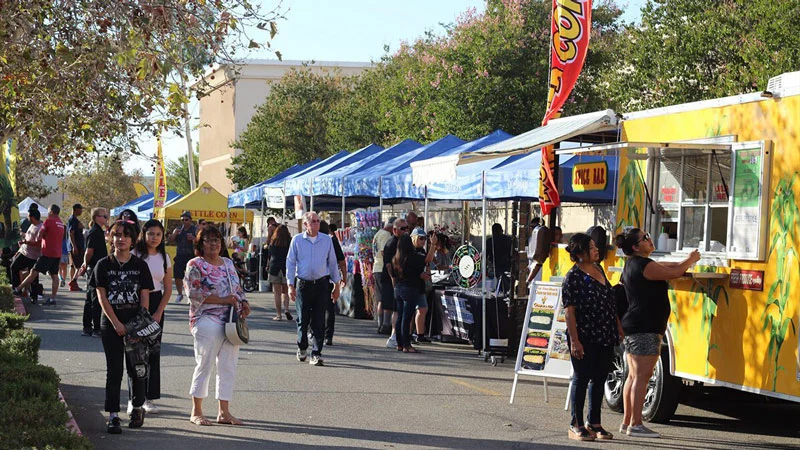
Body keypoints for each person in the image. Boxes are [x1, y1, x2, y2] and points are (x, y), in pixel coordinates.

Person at [615, 228, 700, 438]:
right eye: (645, 238)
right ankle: (636, 423)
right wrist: (690, 259)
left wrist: (682, 264)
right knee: (642, 377)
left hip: (637, 325)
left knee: (634, 377)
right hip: (645, 326)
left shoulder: (636, 264)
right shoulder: (643, 265)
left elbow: (665, 267)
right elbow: (673, 272)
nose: (649, 240)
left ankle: (627, 422)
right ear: (636, 247)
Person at [185, 225, 251, 426]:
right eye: (208, 240)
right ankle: (196, 411)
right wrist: (224, 300)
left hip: (231, 320)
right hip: (206, 319)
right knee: (204, 363)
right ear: (200, 244)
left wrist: (244, 303)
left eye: (216, 240)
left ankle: (224, 411)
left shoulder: (228, 263)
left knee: (228, 366)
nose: (213, 243)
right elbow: (194, 295)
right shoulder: (195, 264)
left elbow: (237, 288)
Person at [94, 220, 154, 433]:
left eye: (126, 235)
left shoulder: (140, 266)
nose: (121, 239)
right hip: (111, 324)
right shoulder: (103, 264)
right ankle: (113, 415)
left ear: (133, 239)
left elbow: (144, 297)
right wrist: (117, 323)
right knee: (114, 370)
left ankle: (137, 407)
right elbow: (101, 296)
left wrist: (138, 325)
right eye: (116, 234)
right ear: (110, 237)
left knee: (136, 368)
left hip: (135, 325)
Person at [561, 233, 622, 441]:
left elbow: (609, 301)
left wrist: (618, 327)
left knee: (599, 378)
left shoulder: (599, 269)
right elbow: (569, 311)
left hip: (604, 333)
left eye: (596, 246)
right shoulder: (573, 277)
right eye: (592, 247)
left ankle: (594, 422)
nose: (597, 249)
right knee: (581, 377)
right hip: (584, 335)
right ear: (580, 252)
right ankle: (575, 423)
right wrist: (575, 341)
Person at [286, 211, 341, 367]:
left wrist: (336, 285)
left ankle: (316, 353)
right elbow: (290, 263)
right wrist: (290, 285)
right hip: (303, 284)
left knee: (318, 320)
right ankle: (302, 346)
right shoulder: (297, 240)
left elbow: (332, 262)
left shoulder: (326, 240)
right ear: (305, 224)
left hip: (322, 284)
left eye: (318, 221)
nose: (316, 224)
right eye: (313, 221)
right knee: (303, 319)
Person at [130, 219, 173, 415]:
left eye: (158, 234)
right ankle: (134, 397)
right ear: (143, 234)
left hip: (156, 304)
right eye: (150, 234)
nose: (154, 238)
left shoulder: (165, 257)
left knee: (152, 352)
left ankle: (148, 397)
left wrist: (158, 312)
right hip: (134, 302)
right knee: (134, 352)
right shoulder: (135, 254)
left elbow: (168, 289)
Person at [17, 204, 65, 306]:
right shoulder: (61, 223)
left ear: (51, 212)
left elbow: (39, 234)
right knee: (54, 276)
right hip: (57, 253)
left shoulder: (48, 221)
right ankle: (52, 299)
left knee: (33, 272)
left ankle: (18, 289)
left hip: (47, 253)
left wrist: (36, 239)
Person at [391, 234, 431, 353]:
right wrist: (433, 245)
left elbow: (394, 274)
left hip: (398, 288)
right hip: (410, 288)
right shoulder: (413, 257)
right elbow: (426, 261)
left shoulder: (395, 259)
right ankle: (406, 345)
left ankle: (399, 343)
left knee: (400, 316)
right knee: (406, 318)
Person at [80, 207, 110, 337]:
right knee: (95, 299)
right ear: (97, 217)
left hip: (97, 267)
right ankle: (95, 328)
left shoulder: (99, 231)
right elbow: (89, 251)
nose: (106, 218)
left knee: (91, 298)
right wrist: (85, 264)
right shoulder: (94, 232)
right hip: (94, 268)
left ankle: (88, 327)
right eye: (104, 216)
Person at [382, 218, 409, 349]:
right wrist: (394, 283)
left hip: (401, 281)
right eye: (402, 229)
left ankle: (400, 336)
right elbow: (388, 266)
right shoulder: (391, 243)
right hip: (392, 281)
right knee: (396, 310)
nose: (405, 231)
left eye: (407, 228)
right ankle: (393, 336)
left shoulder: (403, 242)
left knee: (400, 310)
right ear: (394, 230)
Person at [320, 220, 346, 346]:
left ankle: (317, 332)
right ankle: (327, 335)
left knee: (318, 307)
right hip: (330, 278)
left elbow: (341, 261)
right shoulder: (332, 241)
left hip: (322, 278)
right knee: (329, 308)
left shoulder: (323, 241)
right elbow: (342, 261)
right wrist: (343, 277)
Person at [409, 227, 436, 344]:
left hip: (420, 284)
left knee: (423, 308)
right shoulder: (411, 250)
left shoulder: (421, 250)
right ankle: (409, 333)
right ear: (414, 238)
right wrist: (433, 245)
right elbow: (425, 260)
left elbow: (427, 260)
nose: (423, 241)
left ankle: (420, 334)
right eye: (421, 238)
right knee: (410, 311)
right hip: (411, 284)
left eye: (424, 239)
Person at [372, 217, 396, 335]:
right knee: (385, 298)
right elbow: (383, 251)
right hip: (382, 268)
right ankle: (384, 324)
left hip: (376, 267)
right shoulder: (386, 235)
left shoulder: (378, 234)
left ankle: (380, 324)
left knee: (380, 298)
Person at [10, 208, 42, 294]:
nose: (27, 217)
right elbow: (28, 237)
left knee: (34, 276)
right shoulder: (32, 225)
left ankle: (34, 295)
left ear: (32, 217)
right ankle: (16, 289)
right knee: (14, 266)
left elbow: (39, 243)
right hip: (24, 252)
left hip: (33, 256)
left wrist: (26, 242)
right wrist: (22, 236)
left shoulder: (40, 228)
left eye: (28, 215)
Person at [169, 211, 196, 303]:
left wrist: (193, 239)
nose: (184, 221)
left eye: (186, 219)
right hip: (180, 255)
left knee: (192, 277)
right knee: (177, 276)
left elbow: (199, 242)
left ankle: (191, 294)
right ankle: (180, 294)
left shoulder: (194, 230)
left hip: (191, 256)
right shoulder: (179, 229)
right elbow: (171, 241)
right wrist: (174, 234)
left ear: (190, 220)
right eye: (182, 220)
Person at [267, 224, 291, 321]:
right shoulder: (290, 242)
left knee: (277, 293)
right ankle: (286, 309)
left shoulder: (273, 242)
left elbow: (270, 253)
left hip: (274, 268)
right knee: (285, 291)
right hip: (286, 268)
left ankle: (279, 314)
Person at [486, 223, 513, 294]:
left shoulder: (489, 241)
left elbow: (485, 255)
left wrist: (486, 267)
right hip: (506, 266)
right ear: (501, 230)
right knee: (506, 288)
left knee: (492, 289)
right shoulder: (508, 239)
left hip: (494, 266)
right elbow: (512, 253)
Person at [525, 217, 551, 285]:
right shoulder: (530, 239)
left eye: (534, 227)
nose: (532, 229)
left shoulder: (543, 239)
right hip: (531, 269)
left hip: (540, 271)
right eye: (531, 227)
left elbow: (539, 261)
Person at [67, 203, 85, 291]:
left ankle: (74, 283)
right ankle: (73, 281)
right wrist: (74, 246)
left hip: (78, 246)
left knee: (74, 266)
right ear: (75, 209)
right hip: (76, 246)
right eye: (80, 209)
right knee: (79, 266)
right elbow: (71, 233)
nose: (81, 211)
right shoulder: (73, 220)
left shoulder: (75, 220)